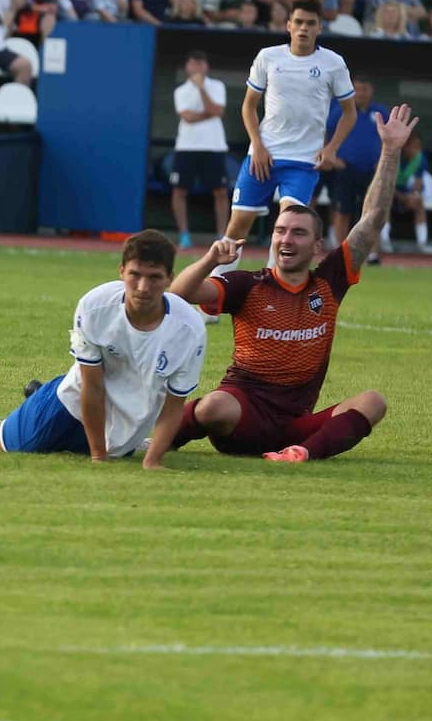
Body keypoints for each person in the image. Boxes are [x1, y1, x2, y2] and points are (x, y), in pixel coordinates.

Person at [169, 106, 415, 463]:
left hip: (298, 423)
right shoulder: (247, 284)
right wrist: (210, 260)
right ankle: (164, 439)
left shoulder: (332, 279)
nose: (286, 239)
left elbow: (372, 220)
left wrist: (390, 152)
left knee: (374, 402)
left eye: (298, 233)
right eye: (280, 231)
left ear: (317, 246)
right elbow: (178, 295)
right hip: (241, 418)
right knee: (213, 408)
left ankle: (300, 453)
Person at [0, 230, 207, 468]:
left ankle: (37, 395)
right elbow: (91, 386)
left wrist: (152, 461)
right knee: (6, 442)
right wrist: (98, 456)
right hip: (73, 404)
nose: (143, 287)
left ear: (170, 278)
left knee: (113, 453)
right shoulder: (95, 307)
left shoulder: (190, 330)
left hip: (126, 425)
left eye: (155, 277)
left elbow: (173, 405)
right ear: (121, 271)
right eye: (135, 274)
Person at [231, 0, 357, 255]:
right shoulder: (268, 56)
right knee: (238, 227)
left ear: (319, 28)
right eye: (298, 22)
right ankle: (217, 288)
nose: (304, 28)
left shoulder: (333, 63)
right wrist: (257, 144)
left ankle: (276, 293)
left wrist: (331, 148)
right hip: (263, 157)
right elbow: (248, 106)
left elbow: (349, 113)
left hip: (303, 161)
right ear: (288, 25)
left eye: (310, 23)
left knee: (289, 229)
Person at [170, 51, 227, 253]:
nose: (197, 68)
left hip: (214, 147)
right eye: (193, 63)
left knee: (220, 192)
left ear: (206, 66)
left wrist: (202, 89)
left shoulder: (217, 86)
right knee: (179, 191)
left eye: (200, 63)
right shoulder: (181, 91)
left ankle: (222, 236)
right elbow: (187, 117)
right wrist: (208, 113)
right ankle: (184, 235)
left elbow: (218, 111)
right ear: (187, 67)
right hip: (186, 147)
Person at [325, 77, 388, 256]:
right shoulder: (340, 110)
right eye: (357, 89)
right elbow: (324, 132)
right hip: (345, 169)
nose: (360, 93)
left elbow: (389, 138)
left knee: (372, 213)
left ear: (371, 91)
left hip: (373, 171)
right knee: (342, 211)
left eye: (364, 89)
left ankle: (372, 254)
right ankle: (341, 253)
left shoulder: (380, 112)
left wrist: (384, 160)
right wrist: (330, 155)